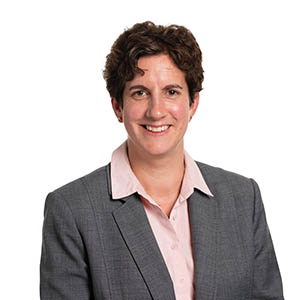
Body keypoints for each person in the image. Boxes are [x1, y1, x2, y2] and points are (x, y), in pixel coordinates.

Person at [40, 21, 284, 300]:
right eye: (140, 92)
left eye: (171, 92)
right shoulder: (72, 210)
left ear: (193, 104)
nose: (156, 111)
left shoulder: (242, 198)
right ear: (118, 107)